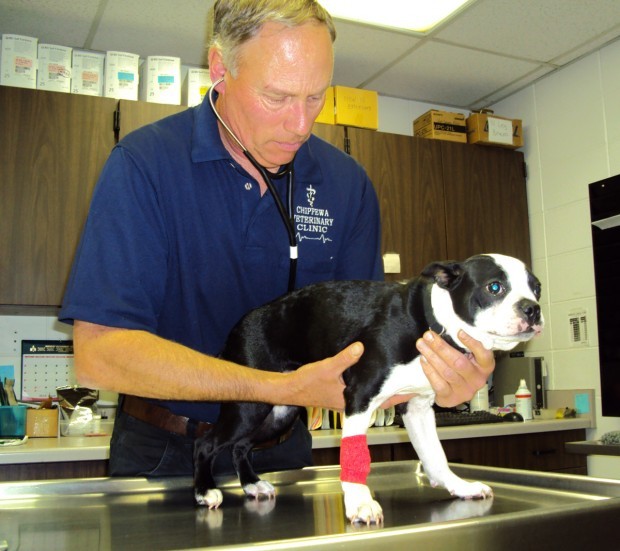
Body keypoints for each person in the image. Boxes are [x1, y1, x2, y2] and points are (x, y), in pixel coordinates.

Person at [59, 0, 494, 478]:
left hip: (286, 455)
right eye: (277, 97)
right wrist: (279, 388)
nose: (301, 125)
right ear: (220, 69)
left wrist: (442, 379)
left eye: (315, 98)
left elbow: (369, 347)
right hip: (164, 452)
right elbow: (99, 355)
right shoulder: (145, 164)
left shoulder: (347, 184)